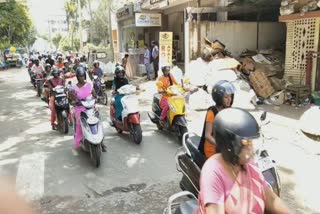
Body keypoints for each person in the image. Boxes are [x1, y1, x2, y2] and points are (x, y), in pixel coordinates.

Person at [197, 108, 290, 214]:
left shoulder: (249, 165)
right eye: (246, 143)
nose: (251, 148)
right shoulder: (213, 171)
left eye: (251, 142)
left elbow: (271, 199)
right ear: (229, 145)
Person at [70, 67, 107, 151]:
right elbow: (72, 99)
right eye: (80, 76)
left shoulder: (89, 85)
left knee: (98, 121)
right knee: (79, 123)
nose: (82, 78)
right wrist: (74, 102)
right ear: (77, 77)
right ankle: (78, 140)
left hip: (90, 106)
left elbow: (94, 94)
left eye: (83, 76)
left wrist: (96, 98)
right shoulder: (73, 88)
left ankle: (101, 142)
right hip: (80, 108)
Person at [198, 80, 235, 159]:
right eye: (226, 97)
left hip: (224, 146)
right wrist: (221, 146)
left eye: (230, 96)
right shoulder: (212, 112)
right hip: (212, 149)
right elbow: (207, 135)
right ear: (218, 98)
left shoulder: (228, 110)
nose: (229, 99)